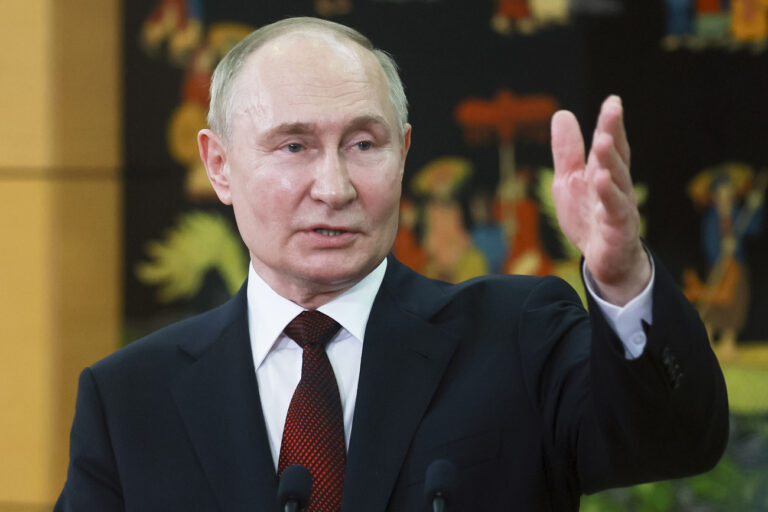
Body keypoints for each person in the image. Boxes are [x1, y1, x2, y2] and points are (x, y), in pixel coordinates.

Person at [56, 17, 728, 511]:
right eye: (293, 146)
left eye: (363, 144)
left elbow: (675, 441)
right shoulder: (129, 402)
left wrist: (623, 276)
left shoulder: (517, 337)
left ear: (403, 153)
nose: (334, 186)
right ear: (219, 165)